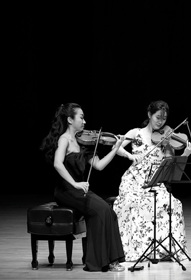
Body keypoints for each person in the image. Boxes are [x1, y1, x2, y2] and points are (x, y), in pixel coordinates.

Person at [39, 103, 126, 272]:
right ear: (70, 120)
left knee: (109, 212)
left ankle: (101, 261)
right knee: (101, 210)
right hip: (66, 191)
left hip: (80, 190)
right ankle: (103, 262)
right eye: (81, 117)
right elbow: (57, 164)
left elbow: (99, 165)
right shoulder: (64, 139)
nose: (85, 121)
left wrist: (115, 149)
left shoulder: (82, 143)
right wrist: (75, 183)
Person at [112, 100, 191, 262]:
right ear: (149, 115)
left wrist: (184, 153)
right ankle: (138, 250)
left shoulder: (167, 138)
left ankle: (163, 250)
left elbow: (171, 165)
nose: (161, 121)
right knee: (137, 205)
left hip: (155, 181)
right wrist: (130, 156)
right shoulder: (136, 133)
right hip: (134, 181)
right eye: (158, 117)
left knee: (174, 204)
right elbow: (117, 146)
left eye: (164, 119)